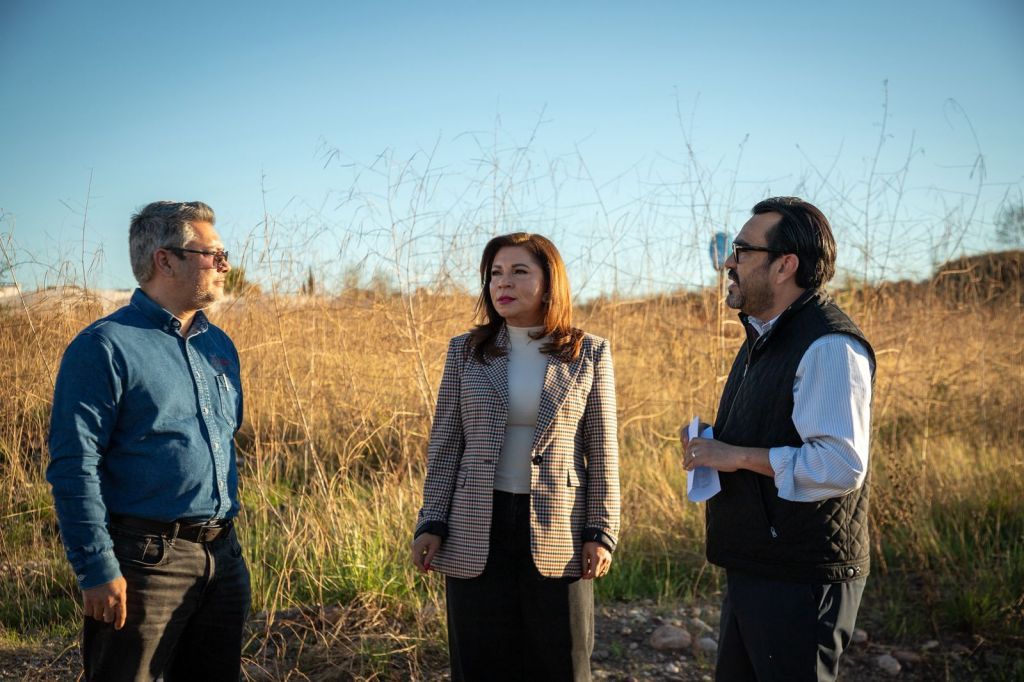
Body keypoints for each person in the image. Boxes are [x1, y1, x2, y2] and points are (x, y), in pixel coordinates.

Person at [47, 201, 250, 681]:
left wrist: (226, 557)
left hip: (222, 558)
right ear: (166, 260)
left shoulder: (218, 345)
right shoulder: (103, 347)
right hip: (145, 563)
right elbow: (75, 464)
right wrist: (97, 567)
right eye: (213, 255)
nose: (225, 265)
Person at [681, 197, 875, 682]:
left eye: (742, 251)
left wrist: (737, 455)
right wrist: (715, 447)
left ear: (785, 265)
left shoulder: (829, 345)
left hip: (800, 576)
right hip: (760, 562)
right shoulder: (765, 335)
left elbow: (839, 465)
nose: (729, 263)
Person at [411, 233, 620, 681]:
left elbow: (603, 452)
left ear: (549, 283)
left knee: (563, 663)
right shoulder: (465, 351)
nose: (503, 283)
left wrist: (601, 531)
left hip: (559, 529)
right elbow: (445, 444)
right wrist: (431, 521)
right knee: (480, 663)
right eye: (495, 274)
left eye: (519, 271)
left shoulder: (588, 351)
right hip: (474, 526)